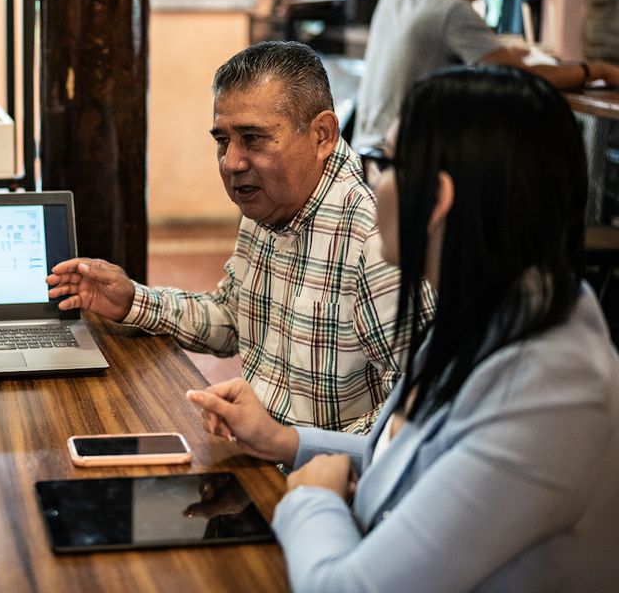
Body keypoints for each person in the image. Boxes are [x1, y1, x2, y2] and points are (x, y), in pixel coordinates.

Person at [189, 66, 619, 591]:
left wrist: (310, 500)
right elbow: (411, 460)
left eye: (384, 163)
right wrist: (285, 441)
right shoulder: (490, 307)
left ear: (435, 201)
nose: (370, 180)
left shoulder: (552, 390)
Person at [47, 41, 432, 434]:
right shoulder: (269, 201)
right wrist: (133, 300)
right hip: (261, 454)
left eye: (253, 138)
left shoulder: (377, 243)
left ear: (322, 135)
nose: (231, 162)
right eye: (222, 140)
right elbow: (233, 320)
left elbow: (417, 413)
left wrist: (290, 444)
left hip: (325, 482)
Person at [352, 0, 619, 149]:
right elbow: (524, 78)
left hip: (366, 147)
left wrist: (503, 52)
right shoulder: (453, 9)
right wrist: (599, 70)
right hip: (403, 157)